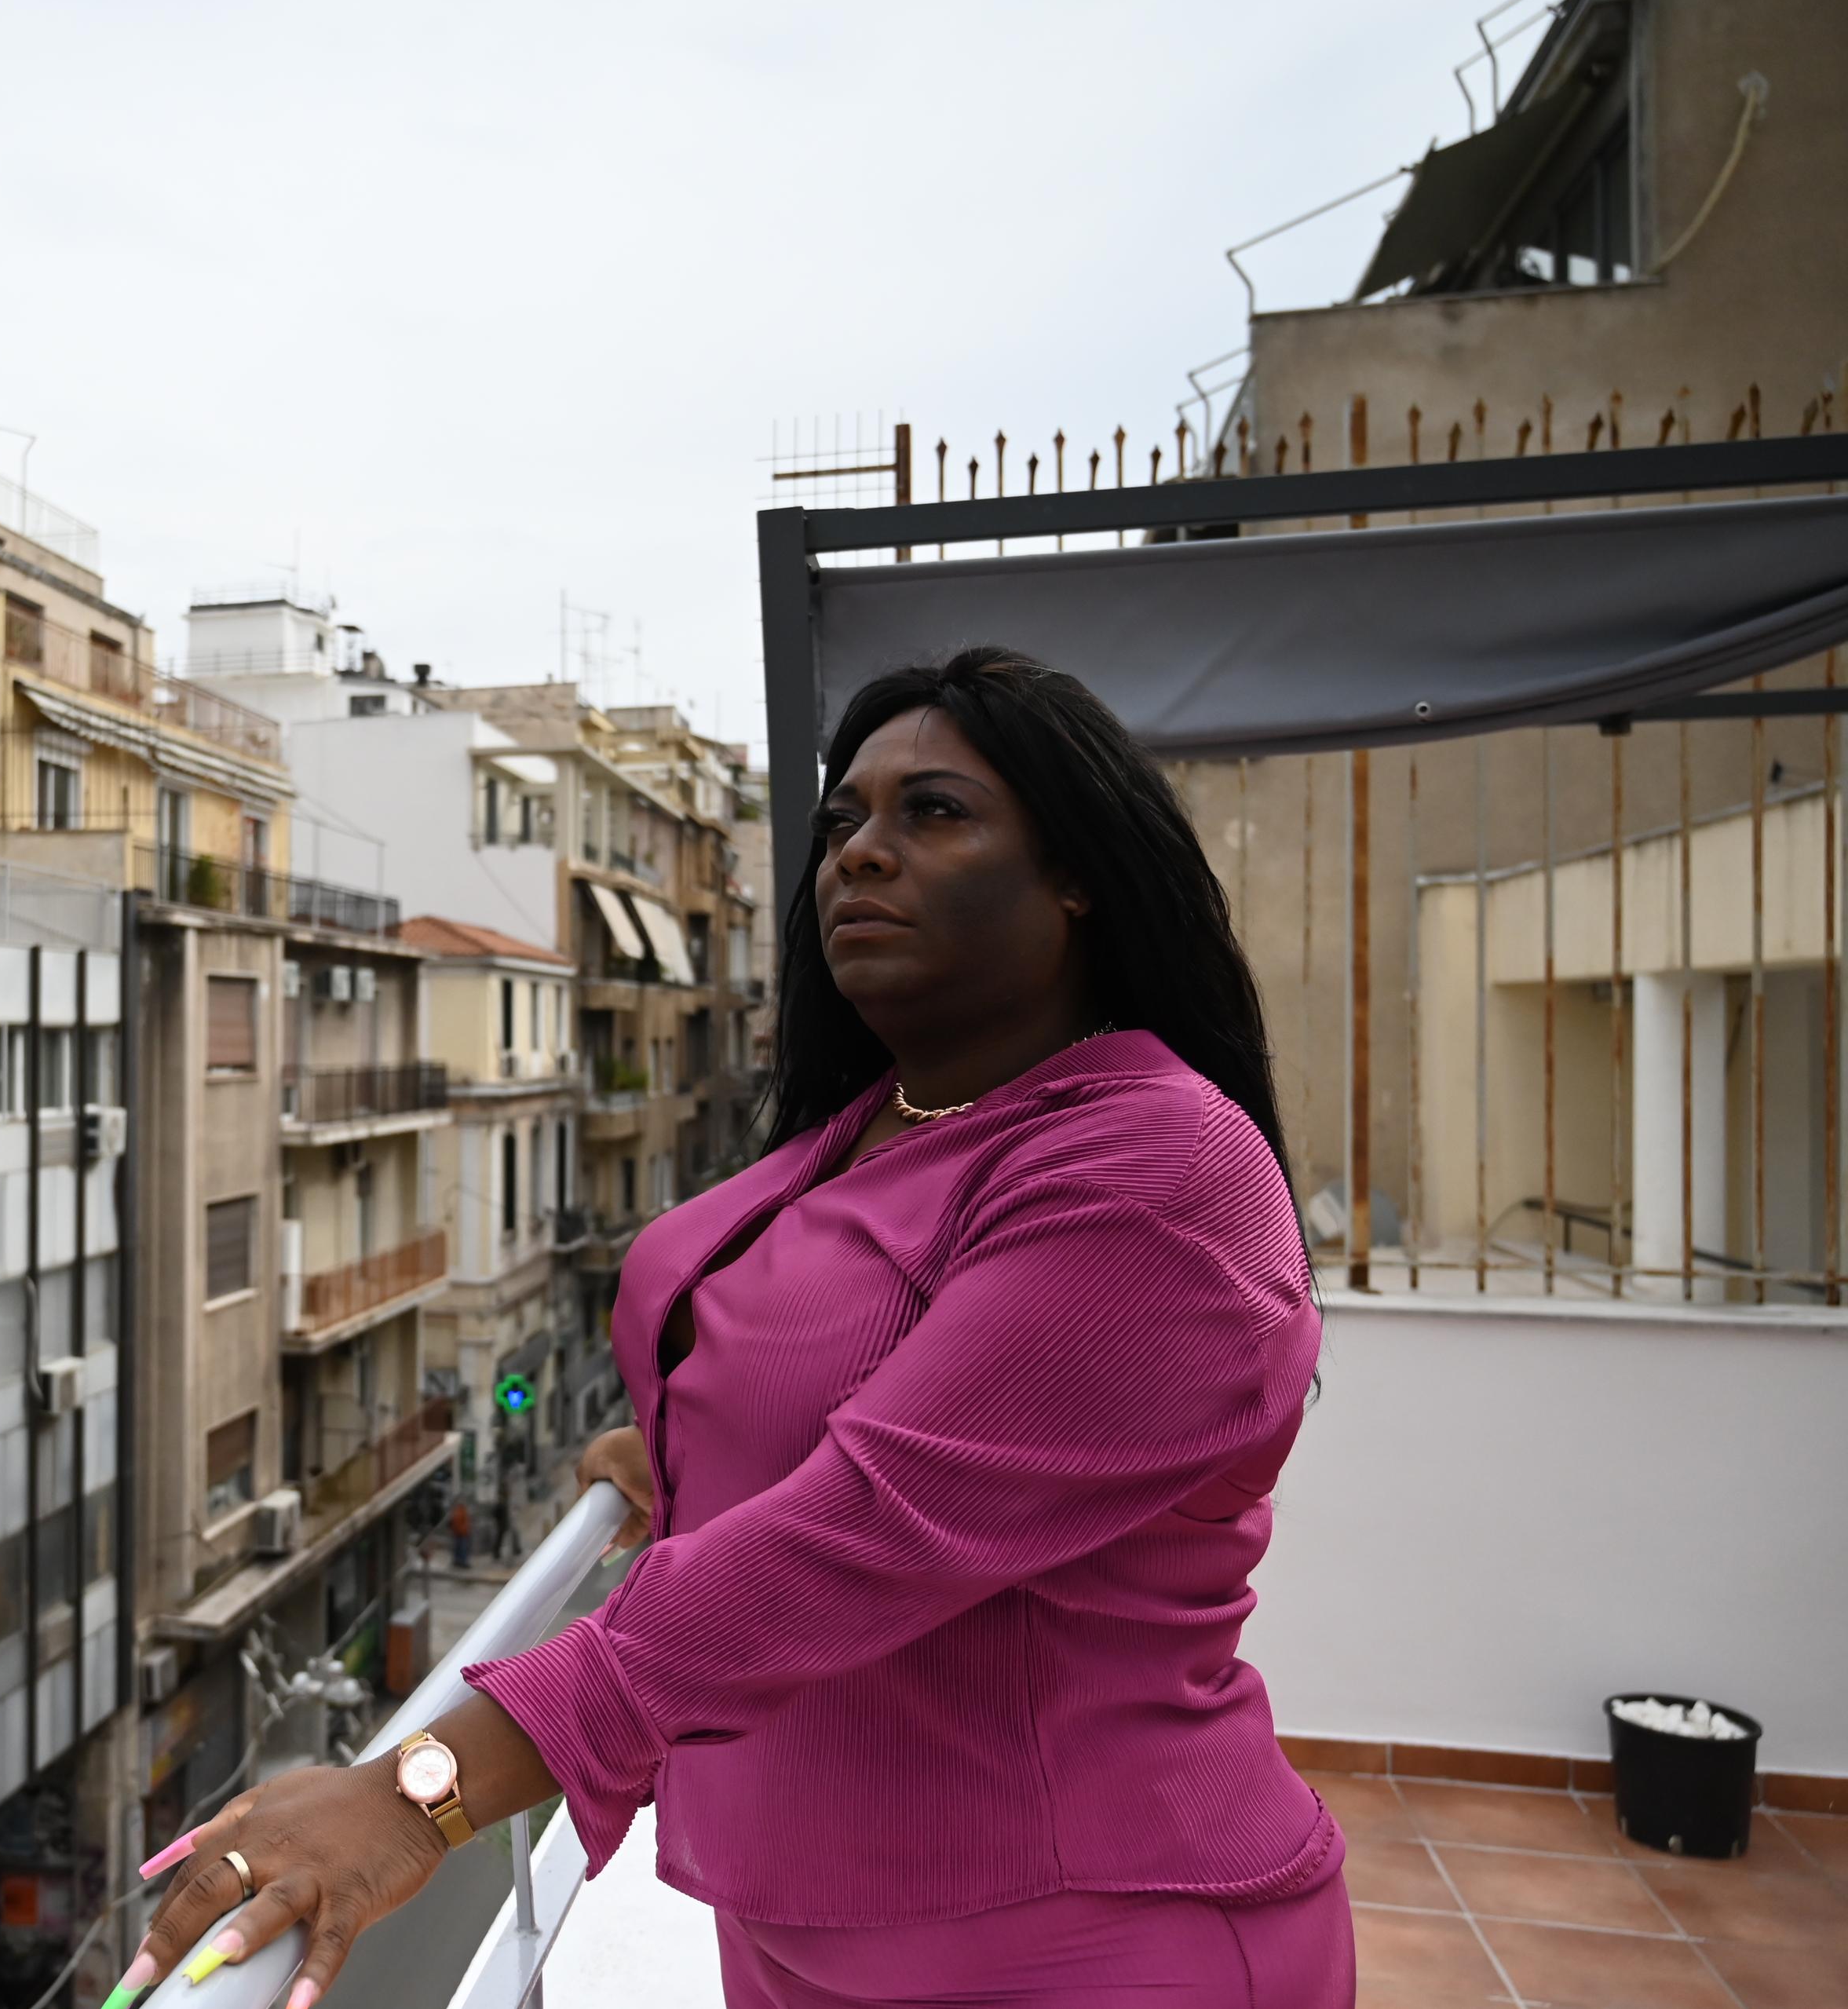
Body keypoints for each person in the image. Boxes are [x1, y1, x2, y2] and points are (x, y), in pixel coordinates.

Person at [101, 649, 1344, 2009]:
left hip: (1095, 1937)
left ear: (1078, 873)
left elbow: (859, 1534)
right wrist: (697, 1437)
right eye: (842, 825)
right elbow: (842, 1362)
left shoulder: (1159, 1167)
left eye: (933, 813)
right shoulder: (869, 1129)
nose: (861, 854)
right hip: (793, 1932)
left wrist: (415, 1795)